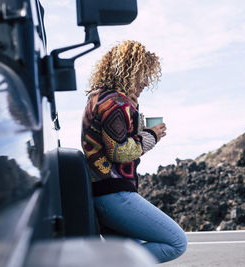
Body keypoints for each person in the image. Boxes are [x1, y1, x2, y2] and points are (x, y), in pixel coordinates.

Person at [81, 40, 187, 263]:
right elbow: (118, 151)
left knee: (132, 255)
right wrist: (152, 136)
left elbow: (119, 139)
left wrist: (135, 112)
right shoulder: (116, 103)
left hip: (101, 193)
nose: (147, 82)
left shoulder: (100, 98)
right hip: (115, 194)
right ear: (127, 70)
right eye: (143, 74)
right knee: (176, 242)